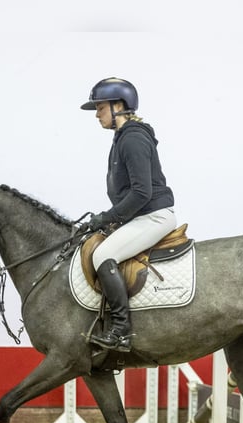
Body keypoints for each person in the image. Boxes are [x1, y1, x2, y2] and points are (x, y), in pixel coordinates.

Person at [81, 77, 176, 352]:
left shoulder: (133, 138)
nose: (97, 114)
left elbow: (141, 193)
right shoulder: (122, 137)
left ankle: (121, 330)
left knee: (102, 255)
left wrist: (107, 218)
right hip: (140, 217)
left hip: (154, 216)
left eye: (100, 107)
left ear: (118, 105)